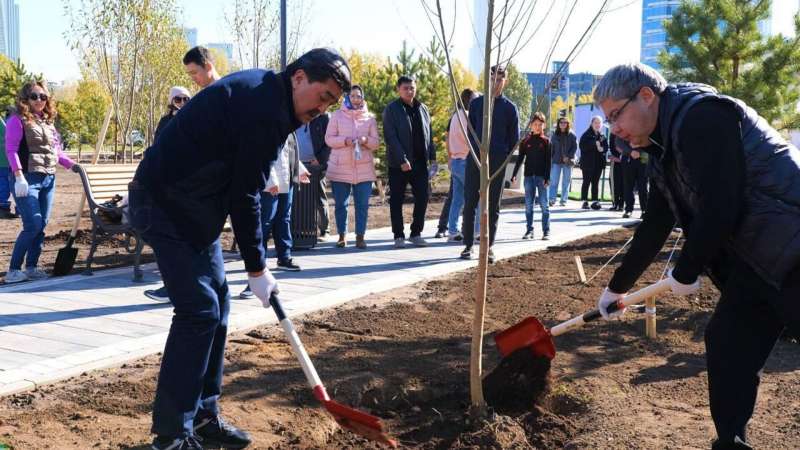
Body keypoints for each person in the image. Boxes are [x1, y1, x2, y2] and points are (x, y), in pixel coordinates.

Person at [128, 48, 350, 450]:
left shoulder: (272, 99)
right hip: (164, 202)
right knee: (199, 310)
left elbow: (244, 179)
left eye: (331, 103)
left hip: (194, 206)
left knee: (219, 303)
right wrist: (256, 267)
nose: (322, 108)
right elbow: (244, 194)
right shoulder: (264, 105)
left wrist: (255, 264)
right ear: (299, 78)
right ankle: (172, 436)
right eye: (324, 96)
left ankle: (203, 415)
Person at [593, 62, 800, 450]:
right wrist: (615, 289)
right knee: (726, 344)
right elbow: (656, 223)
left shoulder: (702, 116)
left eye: (616, 115)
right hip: (757, 265)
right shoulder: (663, 149)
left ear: (646, 96)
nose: (614, 128)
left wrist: (685, 271)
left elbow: (723, 203)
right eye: (608, 121)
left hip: (793, 248)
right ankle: (731, 443)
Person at [144, 48, 222, 303]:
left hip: (206, 188)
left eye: (194, 73)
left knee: (193, 241)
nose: (193, 79)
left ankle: (187, 291)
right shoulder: (202, 100)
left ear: (208, 66)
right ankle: (192, 291)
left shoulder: (220, 95)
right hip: (192, 187)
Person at [4, 81, 79, 283]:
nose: (39, 100)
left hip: (48, 179)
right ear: (25, 99)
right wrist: (18, 175)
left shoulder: (47, 122)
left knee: (42, 224)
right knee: (33, 224)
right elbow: (11, 149)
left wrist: (73, 165)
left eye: (43, 97)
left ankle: (31, 267)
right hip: (27, 179)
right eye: (35, 96)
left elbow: (56, 153)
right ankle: (13, 270)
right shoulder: (17, 119)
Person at [460, 65, 520, 263]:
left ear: (505, 81)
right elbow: (470, 132)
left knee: (493, 205)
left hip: (497, 161)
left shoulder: (510, 108)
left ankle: (489, 246)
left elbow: (514, 140)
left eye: (500, 79)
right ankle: (468, 245)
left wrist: (503, 157)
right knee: (470, 202)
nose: (496, 82)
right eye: (492, 78)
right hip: (476, 159)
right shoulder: (477, 104)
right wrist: (478, 151)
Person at [382, 75, 436, 248]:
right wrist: (402, 160)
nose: (409, 90)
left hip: (420, 163)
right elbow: (391, 137)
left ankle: (416, 233)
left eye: (412, 87)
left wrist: (433, 158)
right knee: (397, 200)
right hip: (399, 165)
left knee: (423, 196)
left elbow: (429, 135)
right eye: (405, 88)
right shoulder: (392, 109)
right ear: (398, 89)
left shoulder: (423, 108)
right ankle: (398, 235)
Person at [324, 85, 379, 249]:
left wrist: (365, 140)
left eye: (358, 96)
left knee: (362, 205)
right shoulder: (336, 116)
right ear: (347, 98)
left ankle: (360, 236)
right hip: (340, 167)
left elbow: (376, 143)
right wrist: (345, 141)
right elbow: (329, 139)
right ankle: (342, 235)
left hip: (364, 169)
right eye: (353, 96)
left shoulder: (370, 118)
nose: (356, 99)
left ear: (362, 98)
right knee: (341, 204)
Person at [435, 88, 477, 242]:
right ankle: (475, 232)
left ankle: (452, 231)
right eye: (476, 98)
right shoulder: (466, 116)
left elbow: (448, 139)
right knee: (475, 198)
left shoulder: (455, 116)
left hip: (456, 161)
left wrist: (450, 157)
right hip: (466, 161)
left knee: (457, 199)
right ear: (470, 100)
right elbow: (471, 139)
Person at [511, 112, 551, 240]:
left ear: (544, 126)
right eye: (535, 124)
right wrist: (514, 174)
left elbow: (548, 161)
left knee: (544, 204)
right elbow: (520, 158)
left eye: (540, 124)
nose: (538, 127)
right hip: (528, 177)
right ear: (531, 125)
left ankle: (546, 230)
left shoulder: (546, 141)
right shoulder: (525, 141)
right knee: (529, 205)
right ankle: (529, 230)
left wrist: (547, 177)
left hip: (541, 177)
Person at [296, 112, 331, 241]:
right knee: (297, 199)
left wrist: (320, 159)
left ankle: (324, 230)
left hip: (316, 164)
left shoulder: (324, 118)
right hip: (297, 164)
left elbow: (329, 142)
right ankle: (299, 229)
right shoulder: (297, 116)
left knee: (319, 196)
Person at [578, 115, 608, 210]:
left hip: (598, 164)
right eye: (596, 123)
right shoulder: (586, 135)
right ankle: (584, 201)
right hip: (587, 163)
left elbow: (606, 147)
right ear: (591, 124)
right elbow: (582, 146)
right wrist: (594, 144)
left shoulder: (602, 136)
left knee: (595, 183)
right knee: (586, 182)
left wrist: (602, 148)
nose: (598, 125)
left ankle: (595, 201)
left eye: (599, 123)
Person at [548, 117, 577, 207]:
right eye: (561, 122)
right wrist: (550, 160)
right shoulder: (554, 135)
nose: (563, 124)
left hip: (567, 162)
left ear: (568, 124)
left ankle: (563, 200)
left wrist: (569, 157)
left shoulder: (572, 135)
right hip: (556, 161)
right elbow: (551, 148)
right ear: (558, 124)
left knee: (566, 181)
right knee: (554, 181)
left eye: (565, 122)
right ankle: (552, 199)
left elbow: (574, 147)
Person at [618, 135, 649, 218]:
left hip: (644, 156)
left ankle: (644, 210)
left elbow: (651, 140)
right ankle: (628, 209)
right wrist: (630, 151)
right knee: (628, 185)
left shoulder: (647, 123)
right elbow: (618, 141)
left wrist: (640, 146)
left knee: (643, 186)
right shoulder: (624, 124)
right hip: (628, 156)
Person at [0, 109, 17, 219]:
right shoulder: (5, 125)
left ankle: (3, 208)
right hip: (6, 162)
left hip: (6, 161)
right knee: (6, 185)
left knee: (4, 184)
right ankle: (3, 209)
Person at [607, 133, 624, 211]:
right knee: (614, 182)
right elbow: (611, 147)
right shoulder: (613, 133)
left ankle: (622, 204)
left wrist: (622, 158)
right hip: (616, 161)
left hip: (626, 160)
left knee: (624, 183)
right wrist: (616, 157)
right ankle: (615, 203)